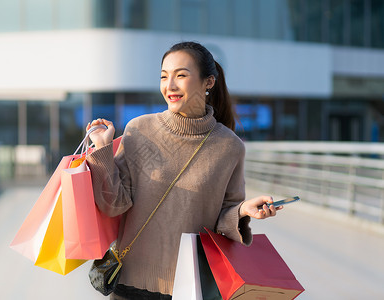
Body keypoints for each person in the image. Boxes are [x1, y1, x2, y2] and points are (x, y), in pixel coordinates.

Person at [86, 41, 282, 300]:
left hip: (189, 287)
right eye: (164, 77)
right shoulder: (139, 130)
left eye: (181, 75)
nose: (170, 86)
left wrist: (243, 211)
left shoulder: (229, 147)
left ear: (208, 82)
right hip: (129, 285)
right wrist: (102, 150)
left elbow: (221, 220)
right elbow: (114, 205)